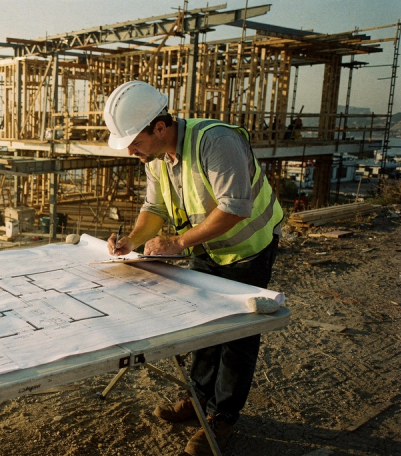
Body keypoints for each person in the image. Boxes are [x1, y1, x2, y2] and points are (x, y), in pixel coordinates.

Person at [103, 81, 284, 456]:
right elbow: (154, 210)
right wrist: (132, 241)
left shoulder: (215, 141)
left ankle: (223, 418)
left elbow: (235, 207)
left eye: (133, 141)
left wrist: (179, 243)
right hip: (205, 246)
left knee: (237, 338)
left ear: (159, 126)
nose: (131, 151)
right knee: (203, 329)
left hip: (248, 250)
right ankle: (199, 402)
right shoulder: (156, 159)